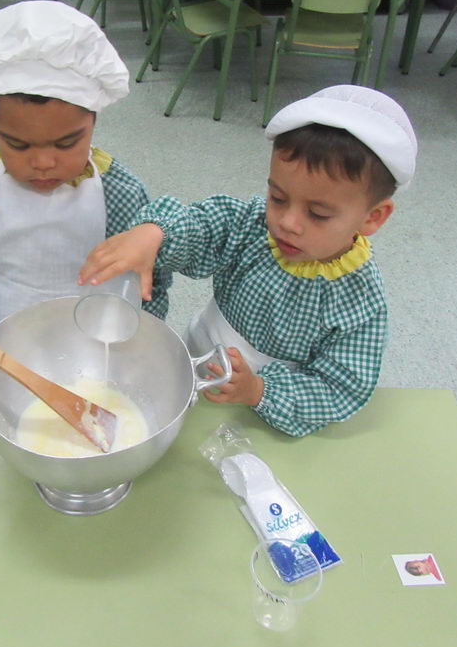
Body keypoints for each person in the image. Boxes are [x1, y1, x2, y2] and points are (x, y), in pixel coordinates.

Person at [79, 85, 417, 437]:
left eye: (317, 214)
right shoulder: (253, 226)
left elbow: (338, 387)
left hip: (266, 412)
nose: (287, 222)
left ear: (373, 217)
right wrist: (155, 232)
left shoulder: (360, 300)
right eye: (278, 197)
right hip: (197, 361)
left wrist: (257, 390)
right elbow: (204, 226)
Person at [0, 0, 171, 436]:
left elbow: (152, 282)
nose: (42, 162)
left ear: (94, 117)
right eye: (17, 145)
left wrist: (144, 346)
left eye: (66, 143)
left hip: (108, 359)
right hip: (6, 357)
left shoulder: (122, 192)